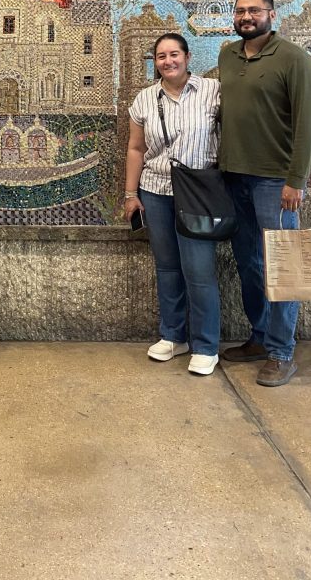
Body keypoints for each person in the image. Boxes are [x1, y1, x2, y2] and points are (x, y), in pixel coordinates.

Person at [219, 0, 311, 387]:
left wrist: (296, 180)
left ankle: (282, 352)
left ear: (271, 15)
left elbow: (309, 124)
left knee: (286, 265)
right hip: (234, 178)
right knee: (248, 263)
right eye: (241, 10)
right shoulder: (228, 56)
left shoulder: (294, 59)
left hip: (275, 182)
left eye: (255, 10)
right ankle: (259, 338)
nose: (247, 16)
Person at [123, 33, 222, 376]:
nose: (168, 61)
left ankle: (206, 344)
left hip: (197, 193)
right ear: (155, 62)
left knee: (199, 269)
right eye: (161, 56)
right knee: (167, 267)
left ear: (187, 56)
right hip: (156, 189)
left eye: (174, 54)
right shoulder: (145, 99)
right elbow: (136, 149)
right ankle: (173, 335)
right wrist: (130, 193)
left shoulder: (213, 91)